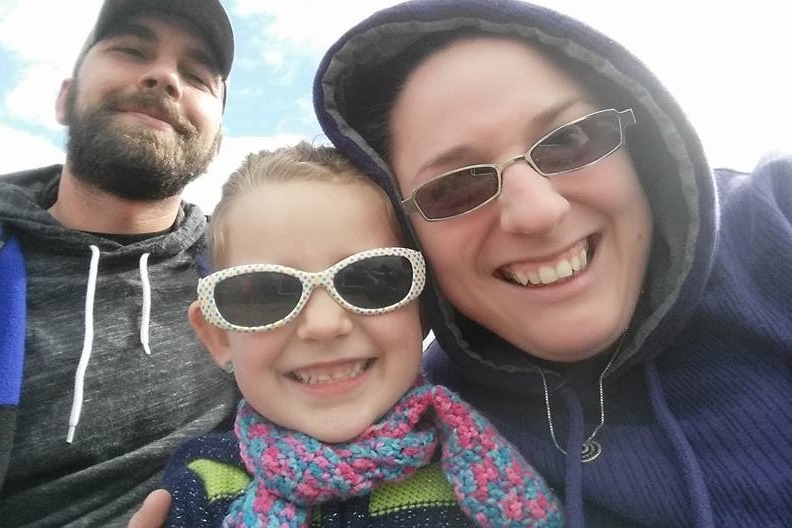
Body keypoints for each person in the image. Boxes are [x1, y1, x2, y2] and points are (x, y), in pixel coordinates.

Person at [311, 0, 792, 527]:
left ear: (640, 148)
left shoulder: (774, 221)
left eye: (567, 141)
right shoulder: (421, 421)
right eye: (456, 187)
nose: (538, 212)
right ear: (409, 236)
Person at [158, 142, 562, 527]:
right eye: (266, 293)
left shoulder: (491, 467)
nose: (324, 325)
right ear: (220, 337)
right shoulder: (198, 488)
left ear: (423, 309)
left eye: (371, 280)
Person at [0, 0, 239, 525]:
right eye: (131, 50)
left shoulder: (250, 278)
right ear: (64, 98)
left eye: (197, 76)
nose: (164, 77)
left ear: (216, 142)